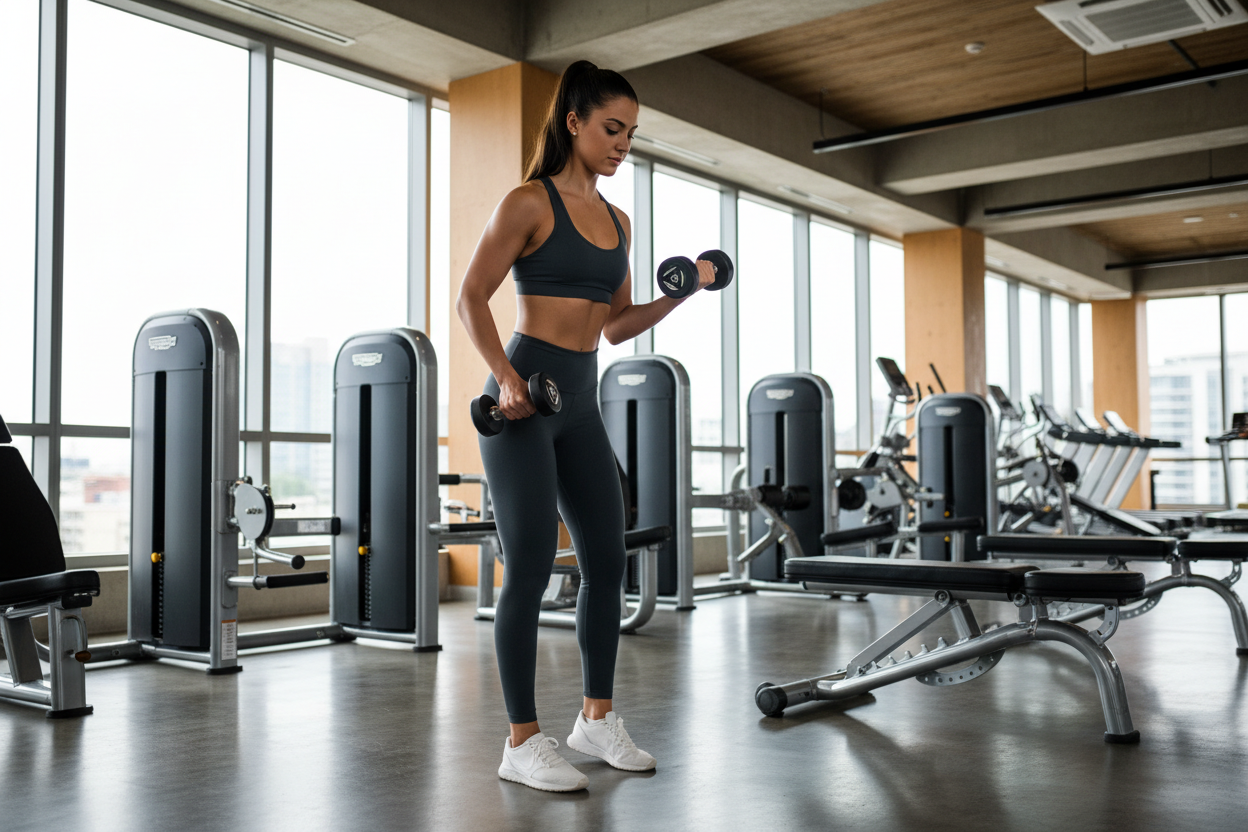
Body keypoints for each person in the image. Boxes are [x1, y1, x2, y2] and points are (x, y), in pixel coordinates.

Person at [456, 60, 717, 792]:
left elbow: (616, 329)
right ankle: (521, 741)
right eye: (612, 128)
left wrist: (685, 290)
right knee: (532, 567)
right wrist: (506, 380)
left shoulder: (619, 221)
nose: (622, 144)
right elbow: (472, 298)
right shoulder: (527, 203)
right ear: (574, 121)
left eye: (631, 134)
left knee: (607, 561)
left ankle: (595, 720)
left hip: (581, 404)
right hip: (524, 402)